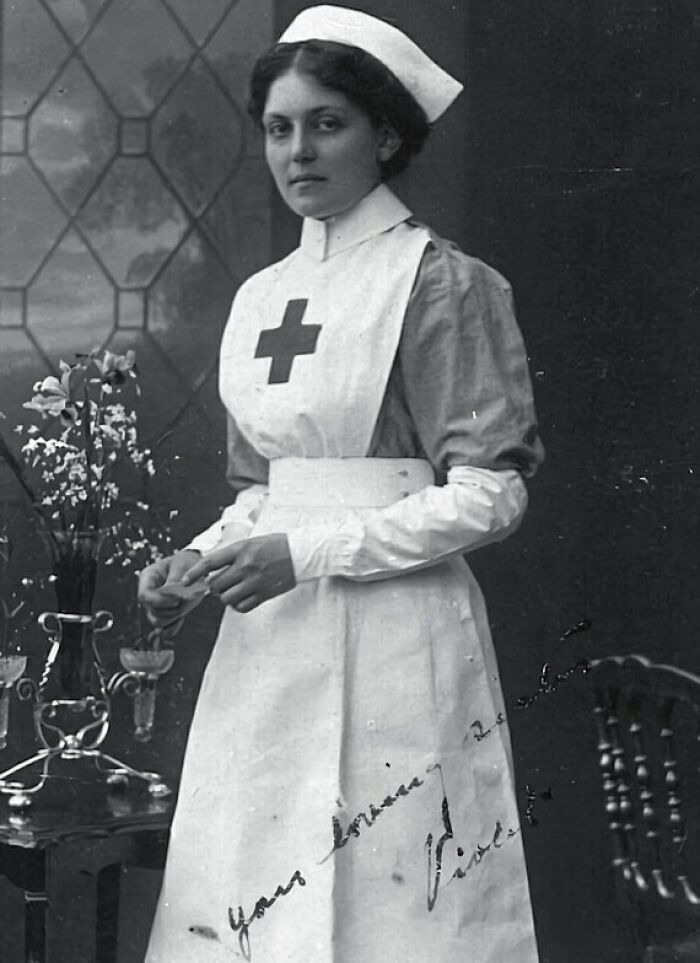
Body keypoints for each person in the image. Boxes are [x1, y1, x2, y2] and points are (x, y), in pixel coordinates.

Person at [138, 6, 545, 962]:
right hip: (272, 645)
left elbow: (495, 492)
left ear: (388, 134)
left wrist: (309, 550)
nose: (298, 150)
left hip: (401, 636)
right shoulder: (263, 296)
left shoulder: (440, 282)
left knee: (393, 904)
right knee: (256, 896)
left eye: (328, 123)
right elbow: (265, 491)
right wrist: (196, 560)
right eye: (280, 127)